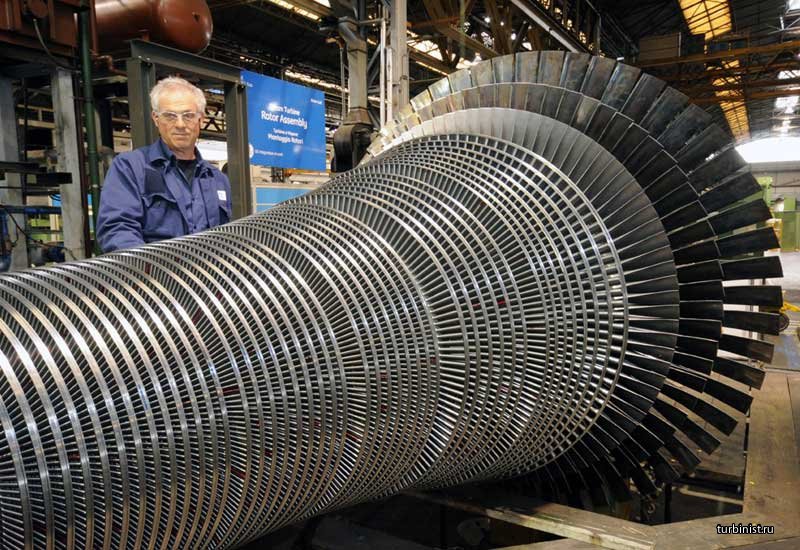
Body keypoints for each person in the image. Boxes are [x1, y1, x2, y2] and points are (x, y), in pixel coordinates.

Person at [96, 76, 232, 253]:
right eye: (170, 116)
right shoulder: (131, 168)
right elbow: (117, 230)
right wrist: (152, 268)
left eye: (188, 116)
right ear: (156, 118)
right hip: (153, 270)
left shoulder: (217, 179)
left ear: (201, 120)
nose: (180, 124)